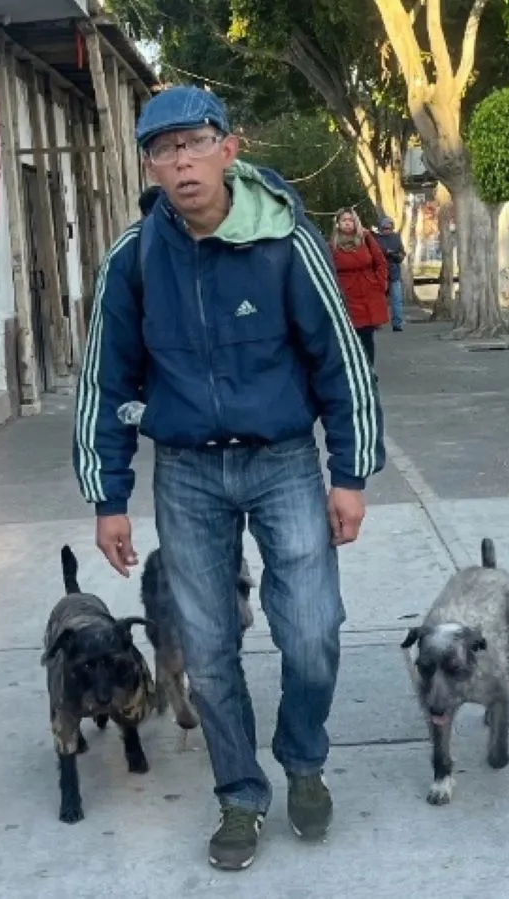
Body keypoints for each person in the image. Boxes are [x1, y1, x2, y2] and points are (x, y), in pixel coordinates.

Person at [71, 85, 384, 872]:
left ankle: (303, 759)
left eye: (194, 143)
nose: (180, 161)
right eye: (163, 149)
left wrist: (349, 472)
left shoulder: (285, 239)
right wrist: (108, 495)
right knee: (207, 650)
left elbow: (339, 360)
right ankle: (240, 795)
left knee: (312, 628)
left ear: (228, 149)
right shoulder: (135, 259)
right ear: (148, 163)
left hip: (282, 460)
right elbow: (104, 383)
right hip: (186, 473)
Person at [330, 208, 389, 366]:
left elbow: (381, 262)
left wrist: (380, 283)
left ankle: (369, 369)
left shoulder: (366, 238)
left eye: (350, 220)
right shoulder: (332, 245)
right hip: (347, 295)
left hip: (369, 292)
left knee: (367, 335)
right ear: (338, 224)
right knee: (350, 335)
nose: (348, 223)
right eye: (344, 220)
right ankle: (355, 369)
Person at [373, 215, 406, 331]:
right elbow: (374, 254)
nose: (387, 230)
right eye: (385, 228)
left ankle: (397, 324)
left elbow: (402, 253)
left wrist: (397, 256)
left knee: (397, 299)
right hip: (379, 273)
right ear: (380, 228)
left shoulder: (396, 237)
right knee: (379, 299)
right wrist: (386, 252)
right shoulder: (375, 238)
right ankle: (377, 322)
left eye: (389, 228)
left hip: (394, 272)